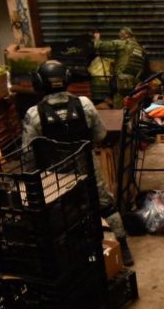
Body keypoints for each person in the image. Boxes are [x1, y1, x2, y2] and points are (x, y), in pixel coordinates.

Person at [22, 60, 135, 266]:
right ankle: (122, 247)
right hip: (88, 167)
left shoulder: (34, 114)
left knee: (64, 214)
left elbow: (28, 155)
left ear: (39, 83)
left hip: (57, 178)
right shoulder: (84, 104)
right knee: (105, 205)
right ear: (67, 79)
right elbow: (100, 135)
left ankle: (74, 254)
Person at [93, 27, 146, 106]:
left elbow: (100, 46)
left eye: (121, 35)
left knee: (118, 108)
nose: (120, 37)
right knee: (131, 106)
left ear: (126, 35)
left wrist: (97, 38)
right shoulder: (140, 48)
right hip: (134, 83)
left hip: (121, 81)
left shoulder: (123, 44)